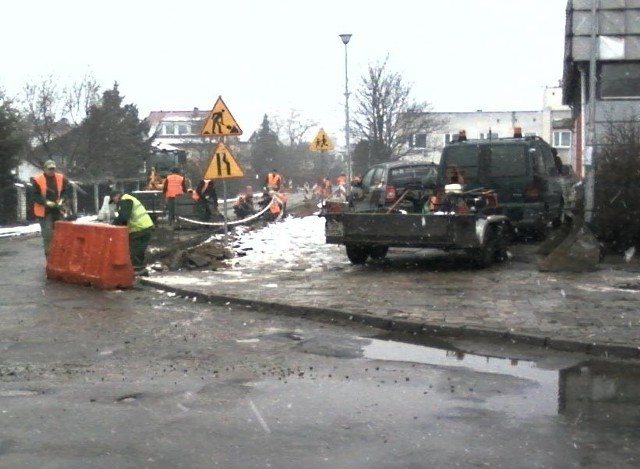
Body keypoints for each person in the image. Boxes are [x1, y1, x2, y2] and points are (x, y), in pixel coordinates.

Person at [30, 159, 71, 257]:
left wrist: (62, 200)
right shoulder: (38, 180)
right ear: (44, 169)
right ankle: (49, 257)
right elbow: (34, 196)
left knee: (62, 232)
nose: (52, 171)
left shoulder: (61, 178)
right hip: (45, 211)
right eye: (49, 169)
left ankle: (61, 255)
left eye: (53, 169)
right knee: (48, 234)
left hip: (58, 209)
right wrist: (46, 202)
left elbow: (67, 190)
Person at [109, 190, 155, 273]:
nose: (114, 202)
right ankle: (139, 270)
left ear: (117, 196)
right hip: (145, 227)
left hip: (139, 228)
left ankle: (136, 270)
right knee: (139, 250)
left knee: (134, 251)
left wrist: (113, 225)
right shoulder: (129, 199)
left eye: (113, 199)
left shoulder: (125, 200)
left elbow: (124, 217)